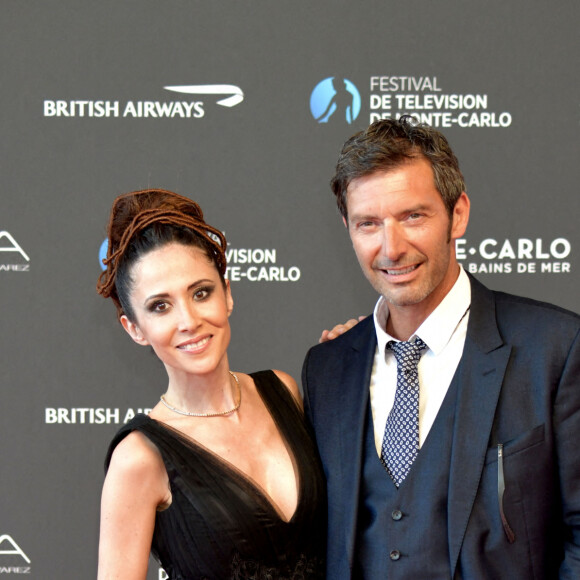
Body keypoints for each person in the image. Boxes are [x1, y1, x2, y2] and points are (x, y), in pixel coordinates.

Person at [302, 116, 580, 578]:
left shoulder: (555, 349)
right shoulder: (327, 368)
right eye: (368, 223)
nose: (391, 247)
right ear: (347, 228)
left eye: (413, 216)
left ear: (459, 214)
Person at [96, 189, 327, 579]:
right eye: (160, 306)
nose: (189, 321)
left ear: (228, 294)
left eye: (201, 293)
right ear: (134, 328)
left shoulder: (283, 392)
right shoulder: (140, 458)